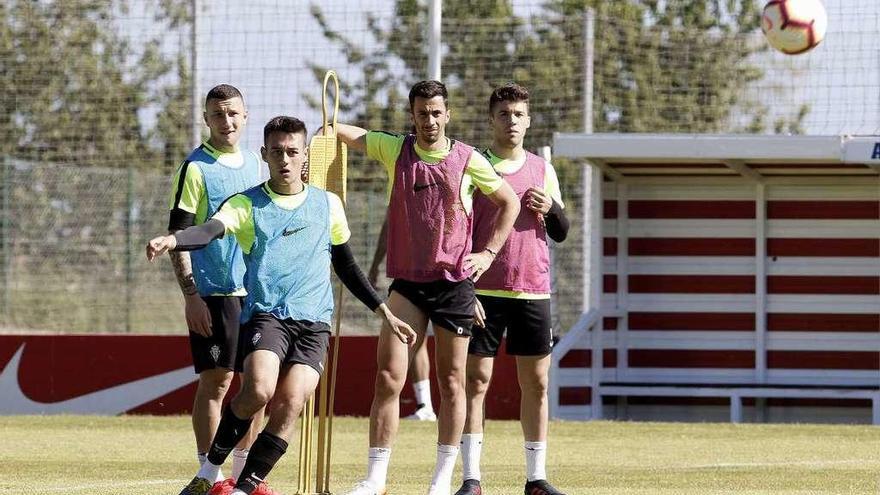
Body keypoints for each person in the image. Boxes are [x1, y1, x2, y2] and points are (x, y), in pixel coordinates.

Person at [148, 116, 416, 495]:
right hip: (267, 315)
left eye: (293, 152)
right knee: (258, 389)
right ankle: (209, 469)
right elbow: (208, 230)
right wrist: (175, 241)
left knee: (291, 402)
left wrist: (383, 311)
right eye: (277, 152)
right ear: (265, 155)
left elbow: (347, 265)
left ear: (305, 155)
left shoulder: (328, 205)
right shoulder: (246, 204)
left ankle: (245, 487)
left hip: (314, 324)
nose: (285, 160)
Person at [335, 80, 520, 495]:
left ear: (447, 114)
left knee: (452, 381)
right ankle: (375, 479)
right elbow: (338, 131)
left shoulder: (468, 158)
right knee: (388, 377)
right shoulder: (394, 149)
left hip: (454, 286)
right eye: (422, 113)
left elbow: (510, 202)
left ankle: (440, 482)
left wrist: (488, 254)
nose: (429, 120)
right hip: (408, 286)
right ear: (413, 115)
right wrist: (318, 141)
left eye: (437, 112)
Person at [455, 84, 570, 495]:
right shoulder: (473, 165)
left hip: (532, 292)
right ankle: (471, 477)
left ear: (529, 120)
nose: (512, 121)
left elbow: (560, 232)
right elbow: (457, 232)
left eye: (518, 114)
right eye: (503, 114)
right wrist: (465, 290)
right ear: (491, 120)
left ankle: (536, 478)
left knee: (537, 384)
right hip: (482, 293)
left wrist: (552, 208)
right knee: (475, 383)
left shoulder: (542, 169)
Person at [166, 84, 269, 491]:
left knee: (255, 384)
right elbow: (178, 233)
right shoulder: (196, 168)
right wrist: (191, 296)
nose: (226, 121)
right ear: (206, 120)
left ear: (245, 117)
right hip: (212, 292)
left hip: (255, 291)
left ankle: (244, 476)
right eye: (217, 115)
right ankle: (210, 476)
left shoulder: (257, 165)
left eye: (233, 114)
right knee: (218, 382)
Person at [368, 216, 436, 422]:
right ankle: (425, 406)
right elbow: (389, 224)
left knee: (452, 368)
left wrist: (376, 264)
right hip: (411, 272)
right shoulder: (399, 187)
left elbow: (389, 224)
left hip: (443, 274)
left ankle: (427, 407)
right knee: (415, 341)